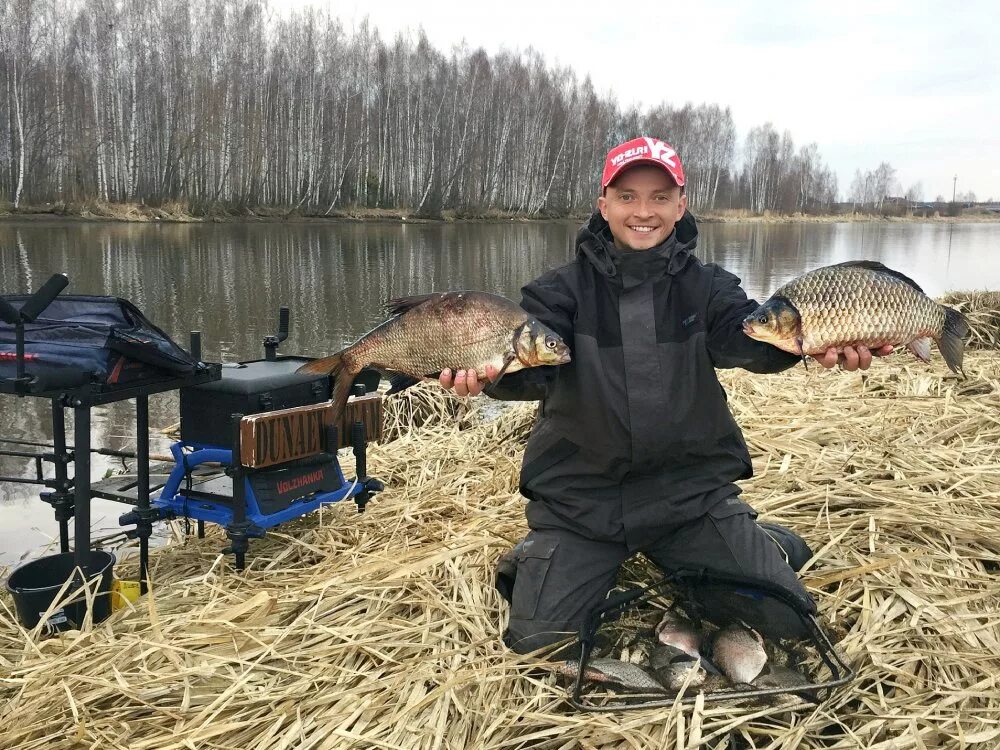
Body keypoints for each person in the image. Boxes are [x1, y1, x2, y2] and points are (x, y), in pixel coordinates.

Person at [440, 136, 891, 653]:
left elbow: (749, 343)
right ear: (603, 203)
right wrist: (486, 375)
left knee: (788, 622)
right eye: (627, 196)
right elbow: (532, 372)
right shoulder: (556, 293)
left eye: (659, 197)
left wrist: (811, 342)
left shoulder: (710, 289)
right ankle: (543, 558)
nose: (643, 211)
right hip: (583, 505)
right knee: (543, 644)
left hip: (689, 498)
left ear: (681, 205)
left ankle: (762, 542)